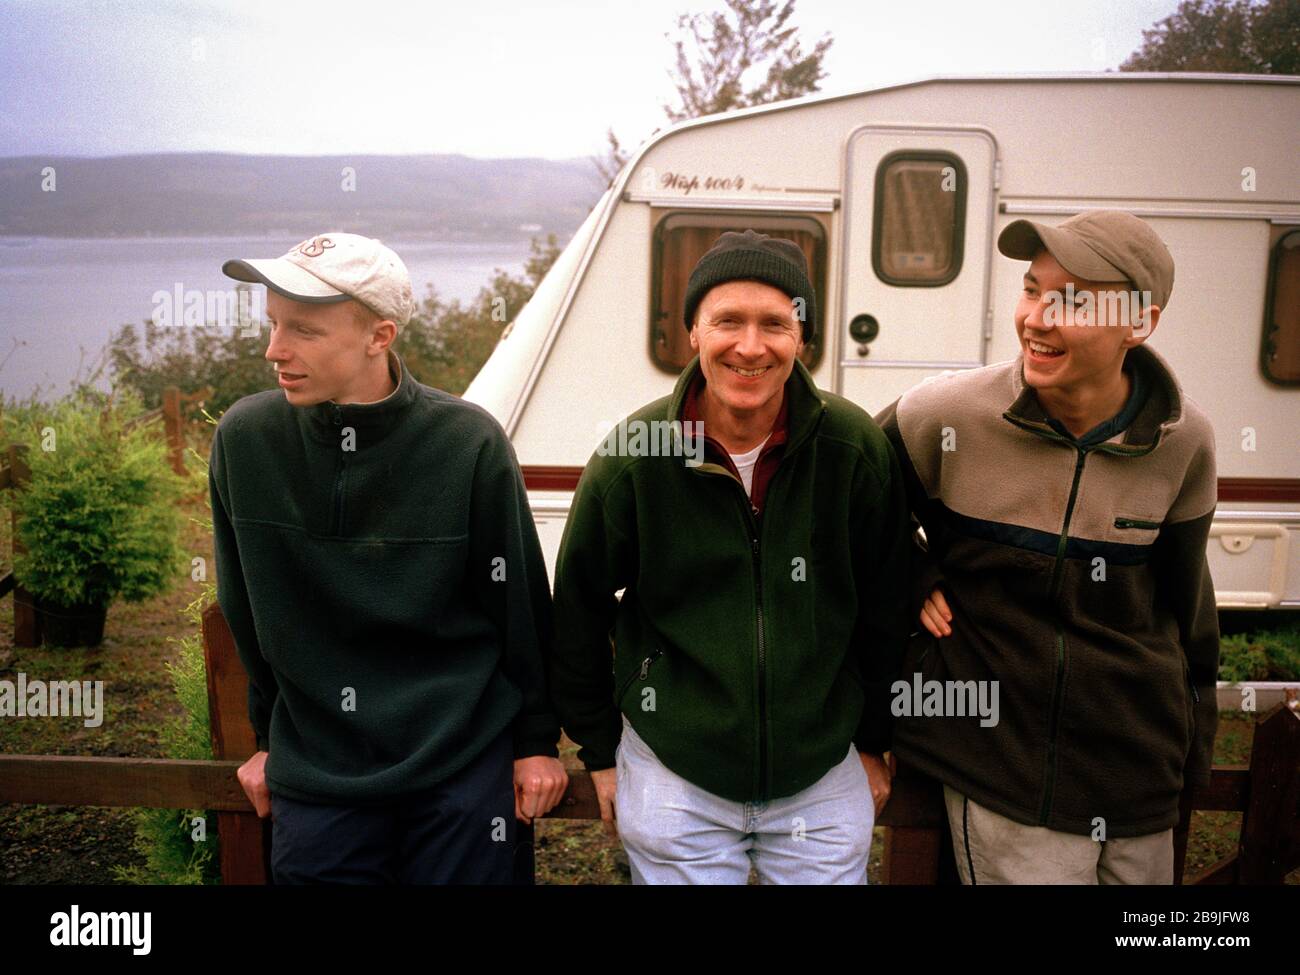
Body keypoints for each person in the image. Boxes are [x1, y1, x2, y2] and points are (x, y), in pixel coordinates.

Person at [549, 229, 910, 884]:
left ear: (802, 337)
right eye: (727, 321)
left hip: (822, 771)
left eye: (775, 322)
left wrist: (871, 737)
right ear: (693, 331)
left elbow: (889, 603)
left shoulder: (851, 446)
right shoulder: (636, 455)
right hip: (674, 772)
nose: (751, 345)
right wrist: (600, 750)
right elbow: (575, 611)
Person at [209, 232, 567, 884]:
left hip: (462, 761)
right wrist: (269, 742)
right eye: (273, 325)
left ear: (381, 335)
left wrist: (535, 744)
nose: (274, 350)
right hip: (319, 768)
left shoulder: (469, 444)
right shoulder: (245, 440)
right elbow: (245, 607)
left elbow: (518, 606)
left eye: (304, 331)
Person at [877, 210, 1219, 885]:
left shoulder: (1185, 442)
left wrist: (1194, 756)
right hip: (1004, 768)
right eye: (1033, 289)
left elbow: (1190, 612)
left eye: (1075, 301)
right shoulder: (944, 415)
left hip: (1138, 771)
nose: (1038, 317)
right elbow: (852, 507)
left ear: (1140, 322)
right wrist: (913, 571)